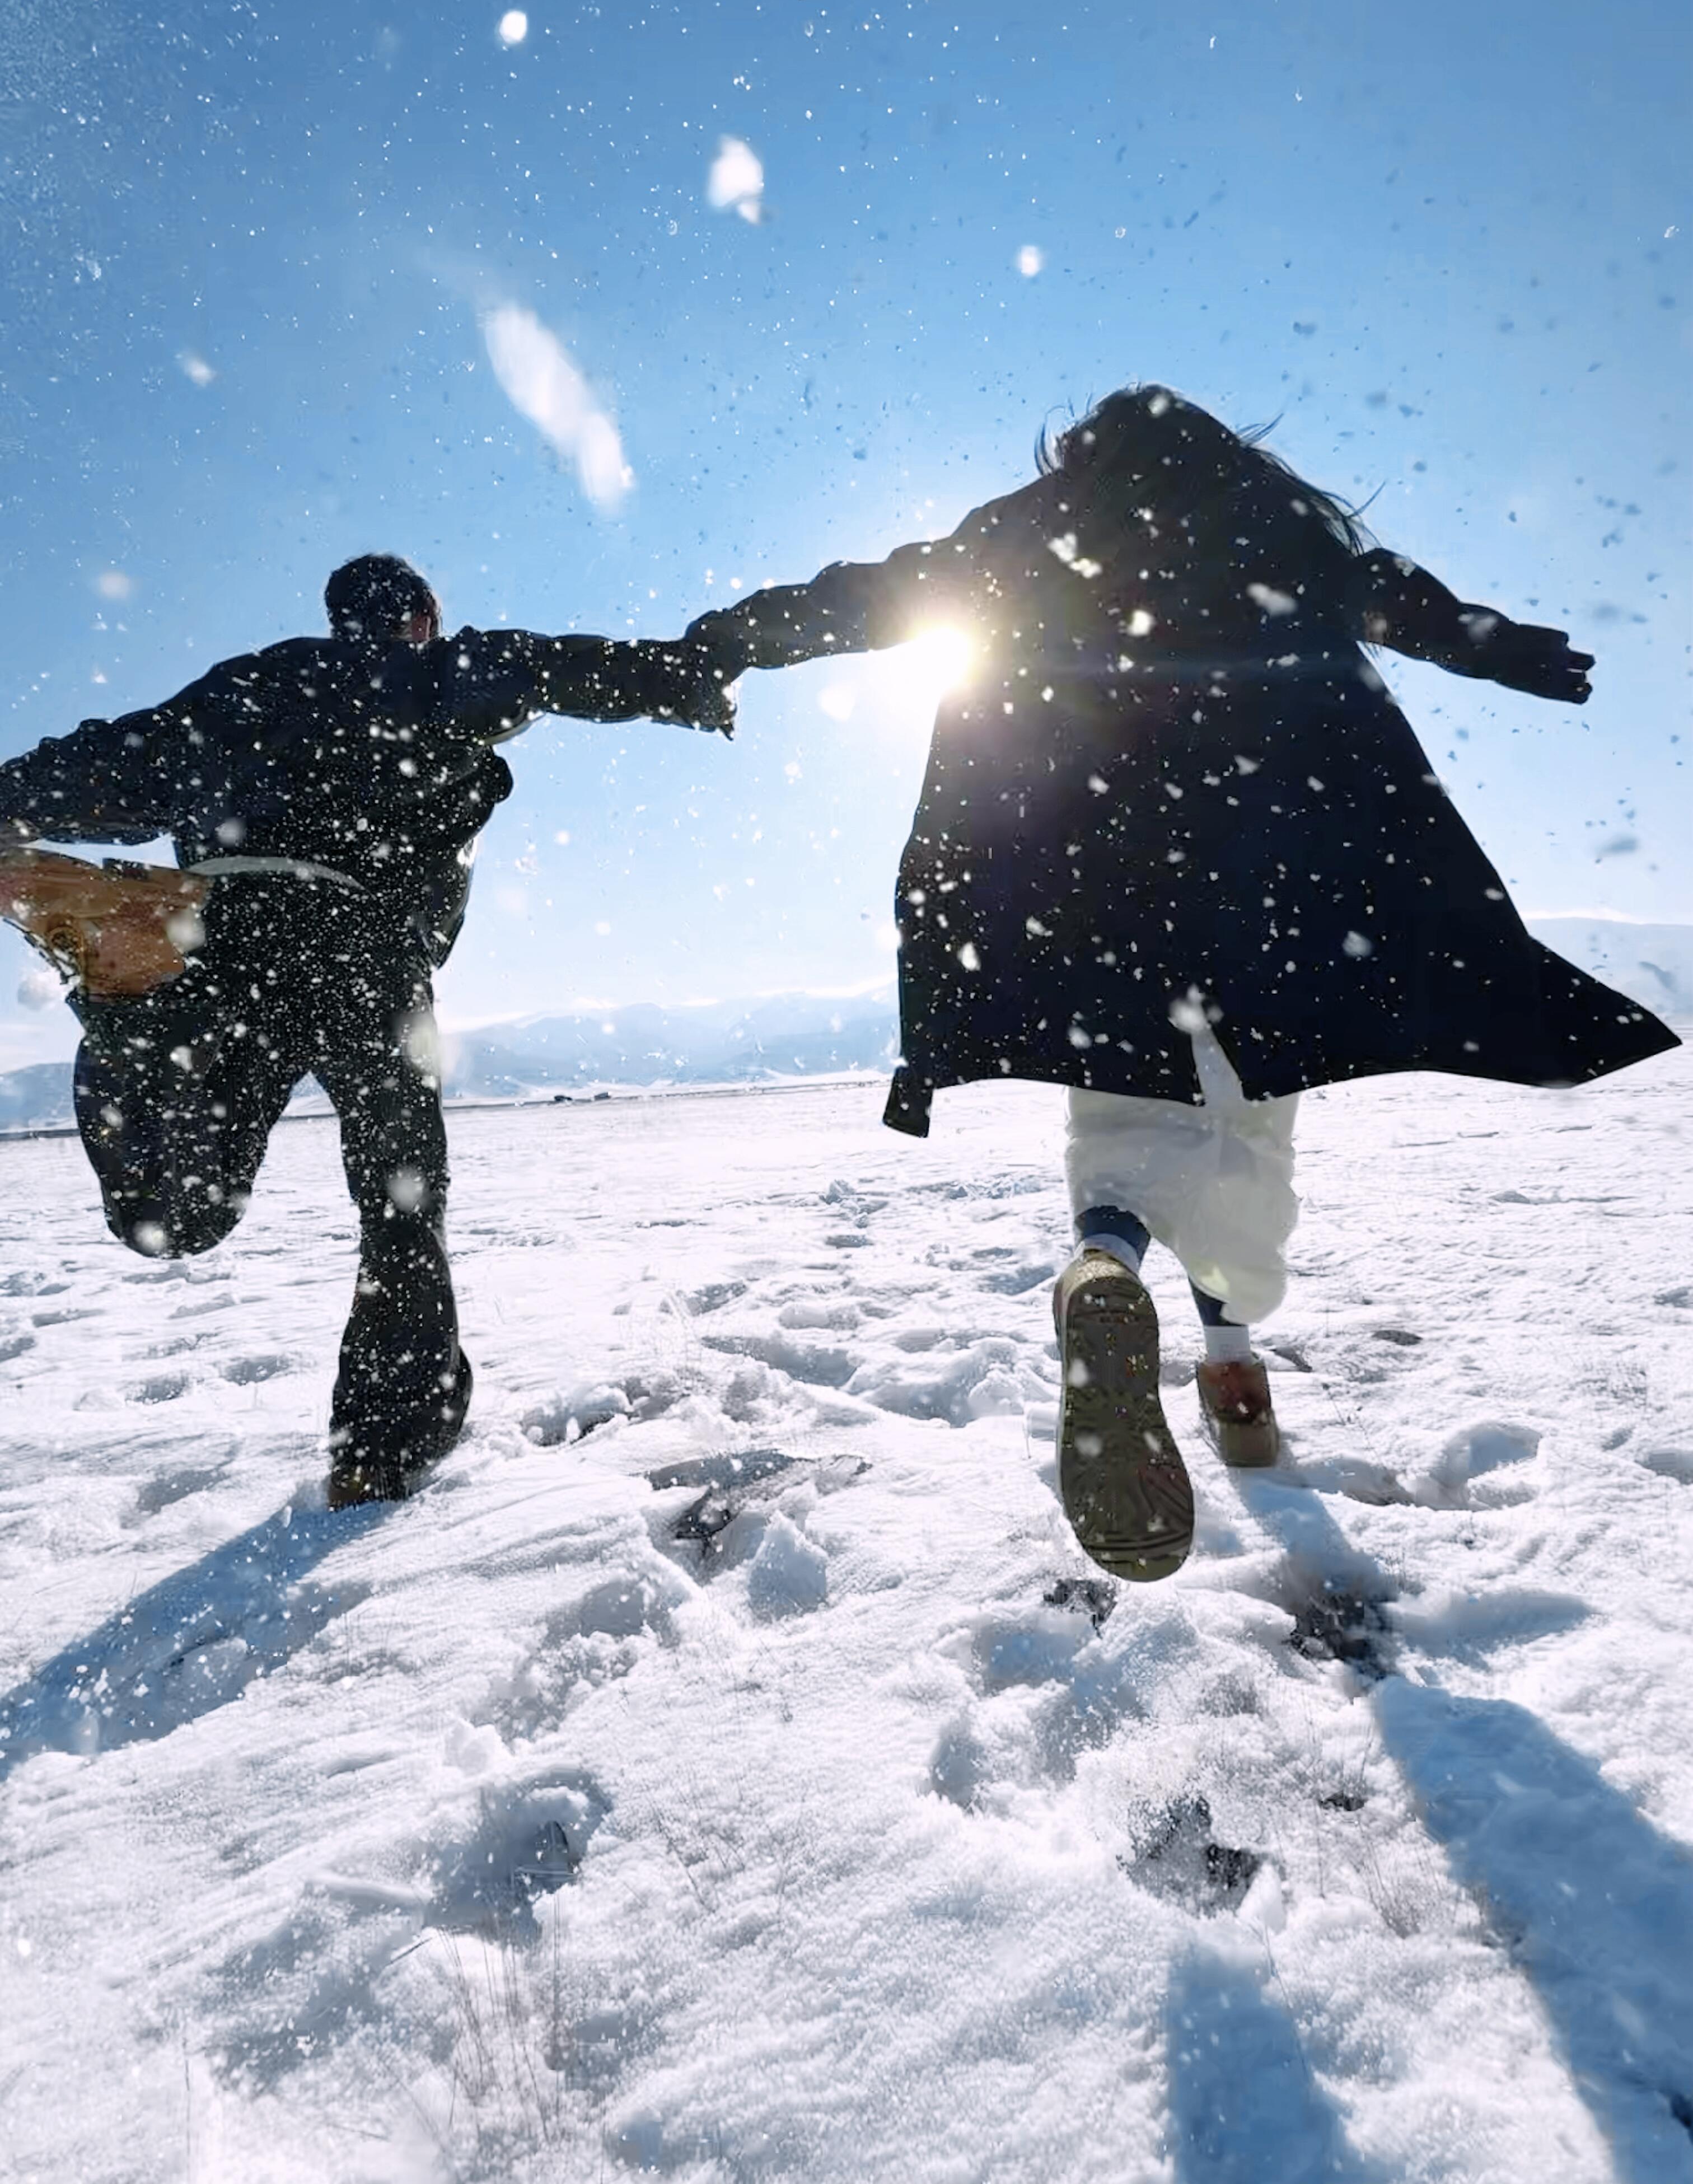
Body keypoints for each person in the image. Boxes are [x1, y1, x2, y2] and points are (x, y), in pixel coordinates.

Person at [683, 385, 1678, 1583]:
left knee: (1120, 1116)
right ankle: (1230, 1365)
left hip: (1084, 888)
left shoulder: (1024, 529)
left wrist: (733, 636)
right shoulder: (1265, 526)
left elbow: (879, 593)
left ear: (1081, 453)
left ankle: (1106, 1265)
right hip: (1267, 881)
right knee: (1249, 1131)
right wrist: (1486, 641)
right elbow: (1382, 591)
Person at [0, 553, 732, 1507]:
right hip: (365, 952)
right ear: (420, 615)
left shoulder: (244, 688)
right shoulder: (434, 674)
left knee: (173, 1220)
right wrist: (687, 680)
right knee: (401, 1203)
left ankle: (125, 1021)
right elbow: (561, 668)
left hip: (226, 946)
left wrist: (10, 799)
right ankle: (380, 1451)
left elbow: (111, 762)